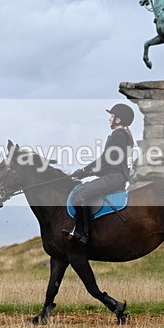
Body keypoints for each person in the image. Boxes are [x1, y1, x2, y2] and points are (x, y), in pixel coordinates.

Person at [64, 103, 135, 246]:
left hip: (114, 177)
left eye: (112, 116)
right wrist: (85, 172)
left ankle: (82, 233)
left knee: (79, 195)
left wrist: (84, 171)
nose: (110, 119)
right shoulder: (122, 135)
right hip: (114, 176)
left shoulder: (119, 135)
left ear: (119, 120)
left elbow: (107, 159)